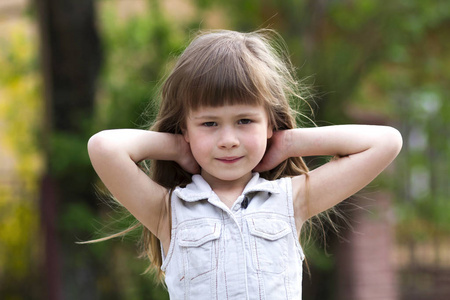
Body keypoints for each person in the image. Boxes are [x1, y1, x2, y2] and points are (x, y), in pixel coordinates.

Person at [87, 29, 402, 299]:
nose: (228, 140)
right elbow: (103, 147)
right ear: (185, 128)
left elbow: (386, 142)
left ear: (269, 123)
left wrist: (287, 142)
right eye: (209, 124)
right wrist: (179, 148)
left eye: (244, 121)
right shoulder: (168, 211)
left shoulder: (292, 199)